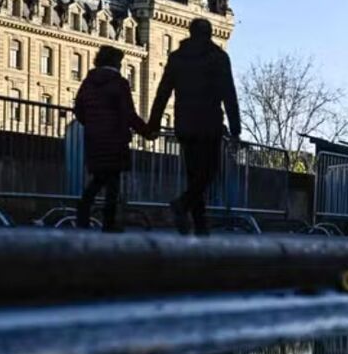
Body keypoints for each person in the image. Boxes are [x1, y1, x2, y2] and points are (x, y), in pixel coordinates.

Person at [148, 18, 241, 236]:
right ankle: (183, 205)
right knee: (209, 172)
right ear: (209, 34)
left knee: (193, 174)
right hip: (209, 123)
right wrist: (235, 128)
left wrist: (154, 123)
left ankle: (199, 225)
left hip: (185, 123)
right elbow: (229, 93)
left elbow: (163, 92)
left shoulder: (177, 58)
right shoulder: (218, 58)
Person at [74, 46, 152, 232]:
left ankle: (83, 214)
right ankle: (108, 223)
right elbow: (129, 113)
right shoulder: (119, 83)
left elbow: (79, 110)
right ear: (116, 62)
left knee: (99, 178)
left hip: (94, 138)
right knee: (112, 183)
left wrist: (92, 124)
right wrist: (147, 132)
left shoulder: (88, 82)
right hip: (115, 138)